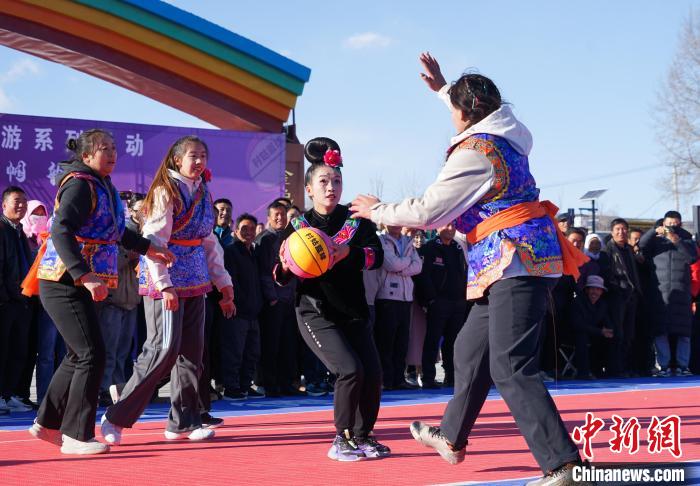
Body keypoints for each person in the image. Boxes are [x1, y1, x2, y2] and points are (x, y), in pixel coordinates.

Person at [350, 53, 586, 484]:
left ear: (467, 113)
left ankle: (565, 465)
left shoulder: (475, 153)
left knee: (511, 366)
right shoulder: (507, 136)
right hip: (507, 262)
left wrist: (377, 209)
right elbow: (475, 113)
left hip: (514, 261)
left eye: (454, 109)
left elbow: (428, 210)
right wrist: (445, 90)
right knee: (468, 350)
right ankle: (452, 437)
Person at [26, 129, 173, 454]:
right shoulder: (79, 183)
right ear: (87, 154)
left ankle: (48, 422)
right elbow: (61, 230)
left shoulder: (102, 186)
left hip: (78, 280)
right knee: (92, 353)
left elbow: (118, 232)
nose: (111, 153)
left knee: (81, 353)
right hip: (63, 279)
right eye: (103, 148)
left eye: (114, 148)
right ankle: (76, 434)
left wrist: (149, 249)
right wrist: (84, 275)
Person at [100, 135, 234, 445]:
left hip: (196, 278)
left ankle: (182, 422)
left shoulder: (203, 193)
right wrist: (164, 285)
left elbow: (209, 241)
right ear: (176, 160)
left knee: (191, 355)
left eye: (203, 155)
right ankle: (117, 415)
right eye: (192, 155)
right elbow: (153, 242)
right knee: (162, 348)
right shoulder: (165, 191)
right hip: (167, 276)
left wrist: (224, 284)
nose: (199, 161)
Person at [275, 137, 388, 461]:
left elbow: (376, 257)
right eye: (323, 181)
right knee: (350, 370)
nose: (331, 187)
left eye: (336, 180)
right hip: (315, 311)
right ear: (309, 188)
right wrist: (284, 266)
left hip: (353, 309)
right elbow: (281, 276)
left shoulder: (356, 221)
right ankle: (342, 438)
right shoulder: (299, 226)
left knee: (373, 373)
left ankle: (364, 436)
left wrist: (346, 253)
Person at [640, 211, 696, 376]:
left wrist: (676, 240)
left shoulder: (686, 239)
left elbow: (692, 258)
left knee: (684, 332)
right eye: (668, 223)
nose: (671, 227)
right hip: (660, 293)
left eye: (675, 224)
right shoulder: (655, 241)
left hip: (682, 293)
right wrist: (653, 231)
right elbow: (641, 246)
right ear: (663, 223)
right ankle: (663, 366)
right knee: (660, 330)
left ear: (680, 224)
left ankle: (683, 366)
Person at [20, 200, 65, 405]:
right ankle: (44, 397)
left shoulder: (51, 238)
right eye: (35, 213)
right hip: (40, 303)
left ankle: (60, 397)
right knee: (45, 353)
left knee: (62, 352)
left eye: (42, 213)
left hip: (61, 301)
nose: (39, 217)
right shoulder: (24, 238)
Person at [255, 201, 301, 397]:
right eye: (276, 215)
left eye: (283, 214)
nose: (280, 218)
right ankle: (270, 384)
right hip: (274, 302)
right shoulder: (265, 240)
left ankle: (287, 384)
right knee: (272, 345)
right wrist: (272, 298)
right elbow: (264, 273)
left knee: (288, 345)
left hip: (290, 299)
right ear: (269, 218)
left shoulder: (290, 238)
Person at [413, 222, 468, 388]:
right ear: (437, 227)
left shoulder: (458, 248)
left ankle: (451, 376)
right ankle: (428, 377)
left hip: (458, 302)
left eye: (453, 226)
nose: (450, 229)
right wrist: (430, 300)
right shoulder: (429, 248)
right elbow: (423, 276)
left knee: (454, 342)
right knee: (432, 340)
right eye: (446, 226)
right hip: (438, 302)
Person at [219, 213, 263, 400]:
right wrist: (238, 302)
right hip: (237, 311)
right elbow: (231, 280)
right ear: (236, 231)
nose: (249, 232)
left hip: (253, 313)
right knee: (234, 352)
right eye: (244, 229)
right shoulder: (230, 252)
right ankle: (231, 387)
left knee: (252, 352)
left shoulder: (253, 252)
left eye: (252, 229)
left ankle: (245, 386)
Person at [373, 224, 422, 390]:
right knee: (386, 341)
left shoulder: (408, 242)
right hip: (386, 296)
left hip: (406, 297)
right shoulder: (381, 240)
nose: (395, 224)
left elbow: (419, 266)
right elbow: (391, 264)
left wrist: (402, 265)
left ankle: (399, 378)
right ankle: (385, 380)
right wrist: (407, 263)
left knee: (402, 342)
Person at [0, 186, 33, 414]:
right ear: (4, 205)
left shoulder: (19, 230)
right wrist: (6, 296)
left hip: (22, 301)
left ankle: (9, 394)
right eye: (16, 201)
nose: (20, 205)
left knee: (18, 350)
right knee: (2, 350)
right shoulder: (2, 229)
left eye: (24, 201)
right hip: (5, 302)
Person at [602, 218, 642, 376]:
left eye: (624, 229)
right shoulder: (608, 250)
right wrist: (618, 288)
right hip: (616, 297)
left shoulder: (630, 250)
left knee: (629, 334)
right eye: (618, 229)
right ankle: (615, 369)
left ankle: (625, 367)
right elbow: (607, 274)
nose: (621, 232)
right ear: (612, 232)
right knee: (617, 334)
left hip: (632, 296)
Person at [571, 275, 614, 379]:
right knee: (582, 337)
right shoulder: (577, 302)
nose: (595, 292)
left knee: (612, 338)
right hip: (573, 333)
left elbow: (607, 321)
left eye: (598, 289)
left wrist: (610, 331)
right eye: (592, 288)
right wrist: (600, 331)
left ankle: (604, 370)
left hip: (593, 333)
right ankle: (583, 373)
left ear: (602, 292)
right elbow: (577, 325)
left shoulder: (602, 304)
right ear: (587, 290)